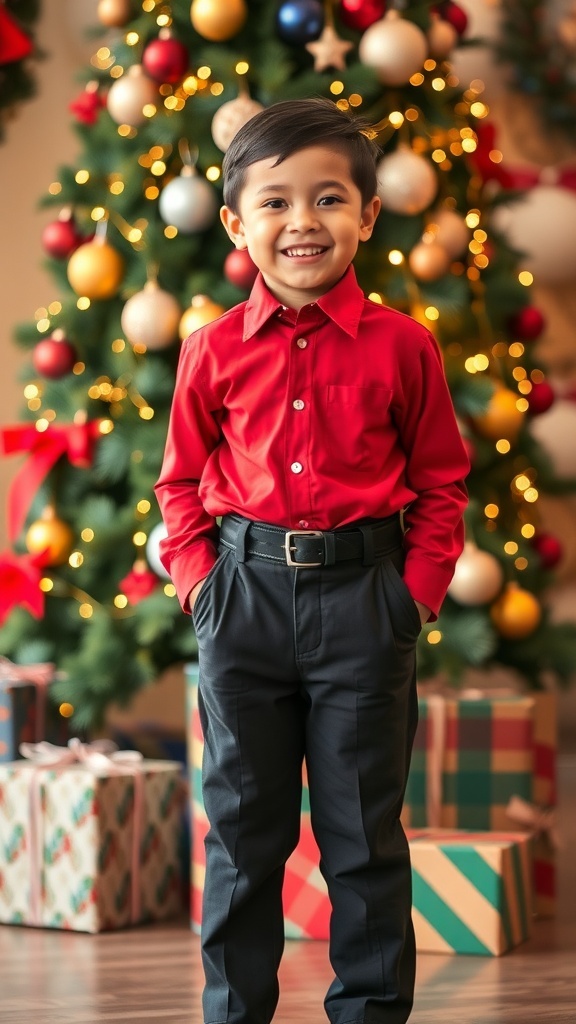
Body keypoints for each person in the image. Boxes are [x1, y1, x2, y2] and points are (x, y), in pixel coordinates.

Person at [155, 98, 469, 1024]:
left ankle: (370, 1013)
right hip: (241, 603)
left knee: (363, 838)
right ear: (236, 224)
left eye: (329, 200)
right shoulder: (209, 352)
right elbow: (178, 486)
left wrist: (410, 599)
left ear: (369, 216)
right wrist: (202, 588)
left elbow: (442, 485)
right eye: (276, 203)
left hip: (365, 608)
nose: (303, 224)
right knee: (245, 838)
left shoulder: (405, 348)